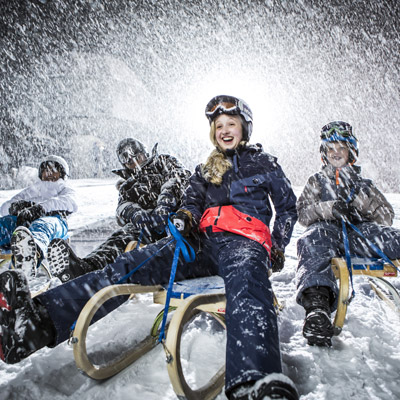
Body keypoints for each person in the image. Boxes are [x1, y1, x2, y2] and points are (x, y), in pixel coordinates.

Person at [0, 96, 299, 400]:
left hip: (245, 243)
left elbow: (288, 208)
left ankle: (255, 380)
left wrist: (276, 245)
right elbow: (191, 203)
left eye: (231, 124)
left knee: (247, 286)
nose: (224, 130)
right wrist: (185, 217)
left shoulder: (264, 163)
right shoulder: (206, 170)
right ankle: (36, 323)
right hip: (200, 244)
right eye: (218, 125)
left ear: (244, 128)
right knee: (130, 265)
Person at [296, 121, 400, 347]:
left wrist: (361, 202)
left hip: (357, 234)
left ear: (350, 151)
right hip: (326, 233)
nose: (335, 153)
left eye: (341, 148)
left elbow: (386, 218)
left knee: (394, 237)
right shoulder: (317, 181)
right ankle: (317, 310)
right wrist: (329, 208)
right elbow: (303, 214)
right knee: (311, 241)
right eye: (330, 148)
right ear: (324, 153)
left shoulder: (363, 183)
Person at [47, 138, 191, 282]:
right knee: (121, 237)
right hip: (149, 227)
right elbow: (122, 208)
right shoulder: (127, 186)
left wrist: (165, 203)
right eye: (129, 162)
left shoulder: (163, 162)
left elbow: (179, 177)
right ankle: (85, 268)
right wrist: (135, 214)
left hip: (177, 220)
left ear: (145, 153)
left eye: (138, 157)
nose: (135, 164)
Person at [0, 155, 77, 277]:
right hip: (25, 223)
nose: (49, 173)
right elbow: (4, 208)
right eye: (46, 170)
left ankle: (30, 255)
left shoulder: (65, 189)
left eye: (54, 170)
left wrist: (40, 208)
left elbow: (70, 202)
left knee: (42, 226)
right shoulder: (32, 190)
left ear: (62, 174)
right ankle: (23, 245)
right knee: (6, 222)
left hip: (54, 222)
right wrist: (15, 207)